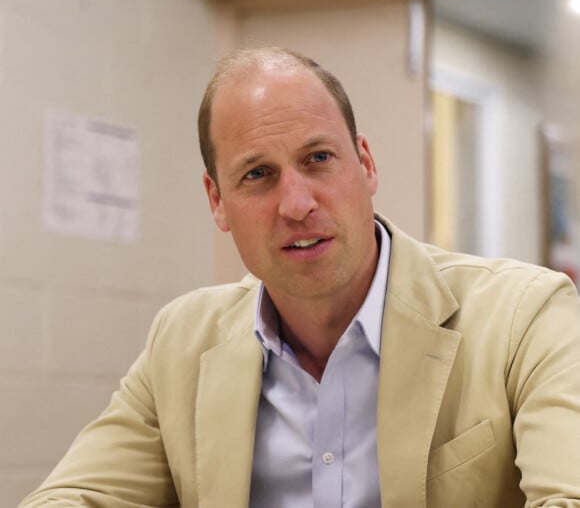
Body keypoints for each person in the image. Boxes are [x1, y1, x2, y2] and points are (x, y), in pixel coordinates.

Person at [20, 47, 580, 508]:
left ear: (366, 164)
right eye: (257, 174)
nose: (296, 203)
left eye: (317, 158)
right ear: (217, 201)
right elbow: (74, 497)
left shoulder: (525, 317)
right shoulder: (183, 341)